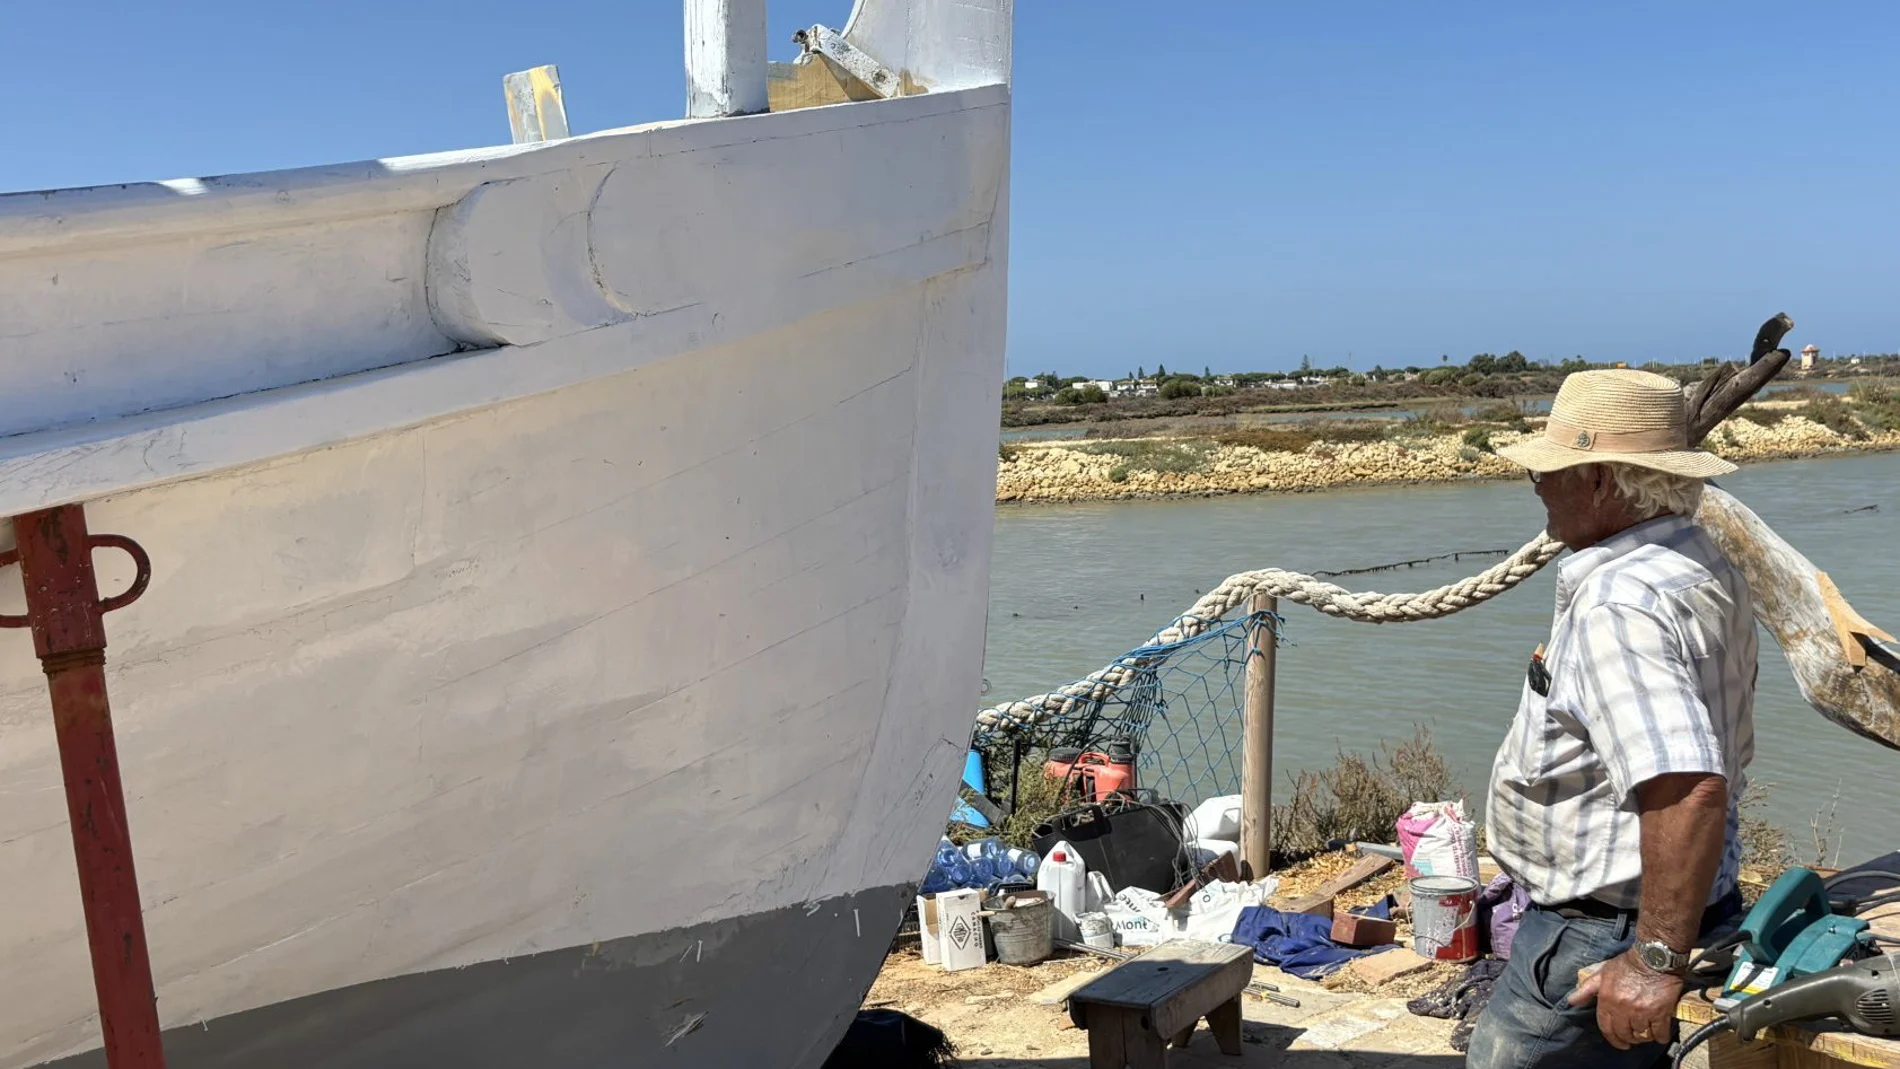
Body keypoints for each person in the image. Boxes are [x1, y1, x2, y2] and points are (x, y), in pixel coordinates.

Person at [1465, 369, 1758, 1069]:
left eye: (1552, 470)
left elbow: (1687, 787)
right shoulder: (1700, 559)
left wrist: (1653, 961)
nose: (1537, 485)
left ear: (1599, 480)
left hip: (1604, 931)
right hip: (1692, 902)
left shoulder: (1617, 604)